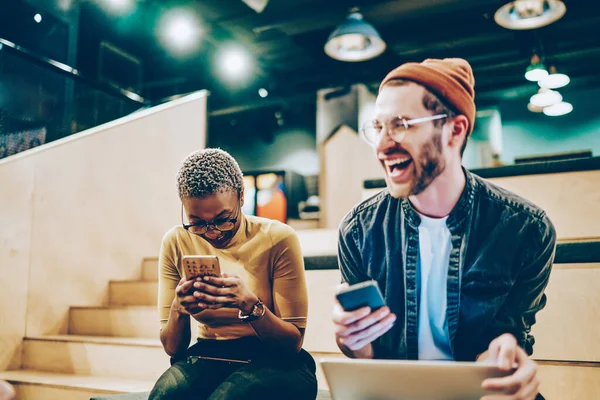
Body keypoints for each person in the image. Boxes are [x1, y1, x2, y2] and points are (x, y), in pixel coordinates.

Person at [332, 58, 556, 400]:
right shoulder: (358, 231)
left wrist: (504, 353)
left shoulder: (527, 230)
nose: (381, 145)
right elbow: (368, 359)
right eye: (377, 127)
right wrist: (352, 341)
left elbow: (510, 332)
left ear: (455, 130)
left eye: (401, 124)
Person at [149, 149, 317, 400]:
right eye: (197, 222)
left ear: (241, 197)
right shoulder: (176, 241)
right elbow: (173, 348)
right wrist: (179, 308)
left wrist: (250, 305)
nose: (212, 232)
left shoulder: (277, 238)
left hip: (278, 360)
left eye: (223, 219)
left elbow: (292, 343)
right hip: (210, 353)